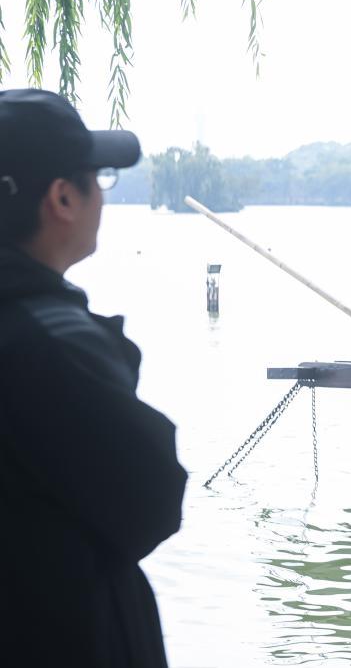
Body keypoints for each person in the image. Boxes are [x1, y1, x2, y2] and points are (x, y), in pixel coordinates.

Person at [0, 89, 187, 668]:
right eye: (99, 179)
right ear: (62, 197)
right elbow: (151, 500)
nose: (103, 197)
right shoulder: (50, 343)